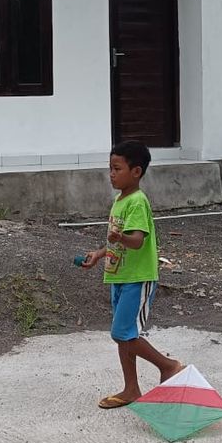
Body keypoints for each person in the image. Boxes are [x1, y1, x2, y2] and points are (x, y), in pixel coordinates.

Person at [81, 140, 183, 408]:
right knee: (124, 334)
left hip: (137, 278)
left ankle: (168, 365)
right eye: (110, 168)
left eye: (117, 168)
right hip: (119, 276)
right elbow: (117, 241)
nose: (111, 174)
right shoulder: (120, 200)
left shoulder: (137, 202)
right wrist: (100, 253)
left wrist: (119, 237)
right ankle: (131, 389)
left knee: (122, 333)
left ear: (136, 171)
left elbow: (136, 240)